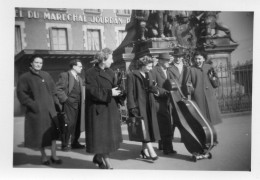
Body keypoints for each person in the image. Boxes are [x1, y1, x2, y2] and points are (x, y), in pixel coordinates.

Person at [17, 56, 62, 165]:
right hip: (37, 112)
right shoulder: (25, 77)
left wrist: (57, 105)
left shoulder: (46, 75)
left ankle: (54, 155)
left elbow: (53, 91)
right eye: (36, 62)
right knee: (40, 134)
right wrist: (34, 105)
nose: (38, 64)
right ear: (31, 63)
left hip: (50, 110)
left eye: (40, 63)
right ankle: (44, 157)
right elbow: (21, 94)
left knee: (53, 134)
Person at [85, 48, 124, 169]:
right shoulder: (90, 72)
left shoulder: (111, 72)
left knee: (105, 137)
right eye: (111, 58)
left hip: (109, 108)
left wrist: (121, 92)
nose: (112, 61)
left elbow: (114, 87)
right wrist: (109, 93)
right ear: (103, 59)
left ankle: (98, 157)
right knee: (102, 137)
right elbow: (91, 91)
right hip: (98, 110)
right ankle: (108, 163)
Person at [126, 55, 160, 160]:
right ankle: (151, 150)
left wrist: (154, 89)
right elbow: (130, 92)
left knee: (147, 127)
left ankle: (144, 150)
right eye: (149, 66)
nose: (151, 68)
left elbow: (151, 87)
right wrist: (132, 107)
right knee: (143, 127)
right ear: (143, 65)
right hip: (139, 105)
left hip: (149, 104)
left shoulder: (149, 74)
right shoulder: (132, 75)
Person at [183, 51, 222, 125]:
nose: (197, 61)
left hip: (210, 96)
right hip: (198, 98)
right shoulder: (191, 69)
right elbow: (187, 83)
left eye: (199, 59)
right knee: (201, 121)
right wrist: (193, 91)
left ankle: (211, 135)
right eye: (196, 59)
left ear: (204, 59)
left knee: (212, 120)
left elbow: (217, 83)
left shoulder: (209, 67)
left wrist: (212, 78)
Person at [150, 53, 177, 155]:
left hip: (169, 101)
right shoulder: (153, 71)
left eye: (169, 60)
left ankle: (162, 145)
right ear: (160, 61)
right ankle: (168, 149)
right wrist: (164, 92)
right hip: (159, 101)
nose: (168, 63)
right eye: (166, 61)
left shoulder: (169, 70)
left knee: (165, 124)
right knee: (166, 125)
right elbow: (152, 87)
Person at [56, 59, 85, 151]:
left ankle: (74, 142)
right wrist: (66, 100)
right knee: (68, 124)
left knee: (77, 124)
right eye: (80, 66)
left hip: (79, 105)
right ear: (74, 66)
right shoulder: (65, 75)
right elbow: (58, 89)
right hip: (69, 104)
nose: (82, 68)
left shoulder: (79, 78)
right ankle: (64, 144)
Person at [168, 49, 190, 141]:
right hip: (174, 95)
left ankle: (184, 137)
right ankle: (169, 138)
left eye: (180, 57)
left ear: (182, 57)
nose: (178, 58)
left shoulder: (187, 67)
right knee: (173, 117)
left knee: (185, 117)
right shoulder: (169, 68)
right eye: (176, 56)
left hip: (184, 95)